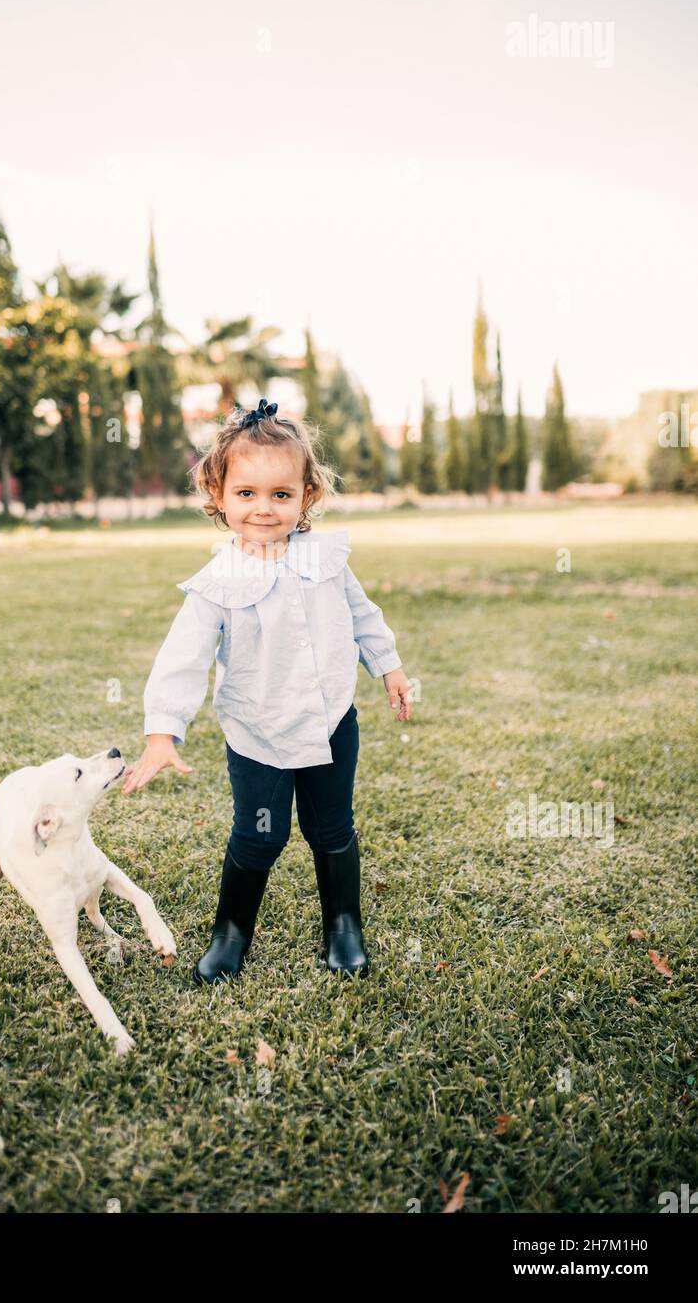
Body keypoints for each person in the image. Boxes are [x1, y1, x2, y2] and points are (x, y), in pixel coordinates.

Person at [122, 397, 412, 983]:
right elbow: (183, 660)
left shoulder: (328, 558)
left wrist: (389, 666)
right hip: (258, 735)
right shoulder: (215, 584)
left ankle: (343, 927)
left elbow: (362, 617)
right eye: (246, 494)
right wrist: (162, 733)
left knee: (331, 828)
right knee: (260, 834)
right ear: (218, 494)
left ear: (306, 496)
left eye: (281, 495)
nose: (263, 509)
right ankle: (230, 935)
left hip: (331, 722)